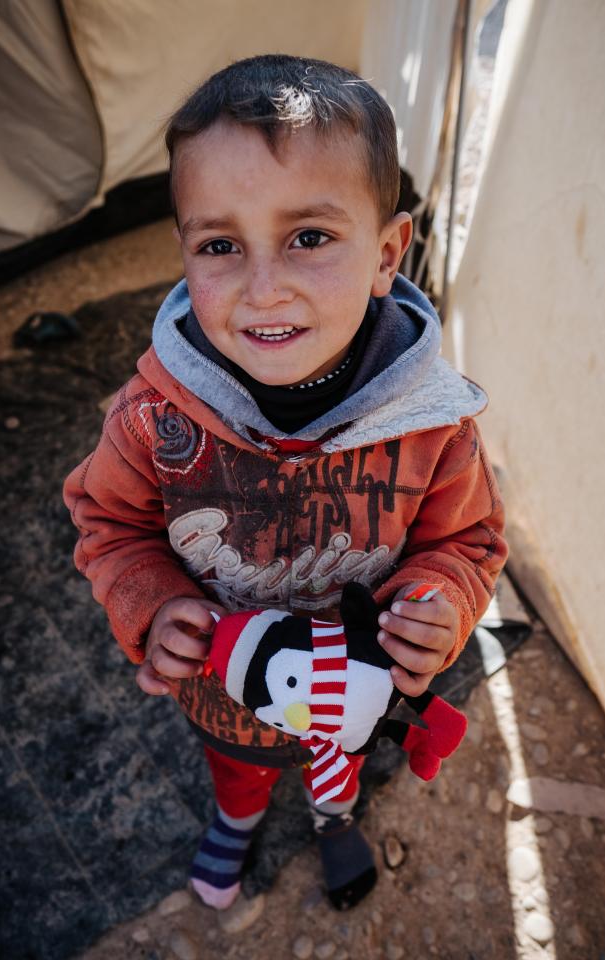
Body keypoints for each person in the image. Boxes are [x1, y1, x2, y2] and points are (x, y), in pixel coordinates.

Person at [63, 54, 507, 913]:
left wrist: (440, 602)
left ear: (386, 254)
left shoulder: (434, 424)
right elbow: (106, 521)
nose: (263, 288)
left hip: (357, 697)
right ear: (184, 250)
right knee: (237, 770)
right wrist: (151, 603)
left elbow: (468, 540)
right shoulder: (153, 416)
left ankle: (334, 820)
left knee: (339, 764)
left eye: (308, 237)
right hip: (228, 699)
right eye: (220, 245)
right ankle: (236, 820)